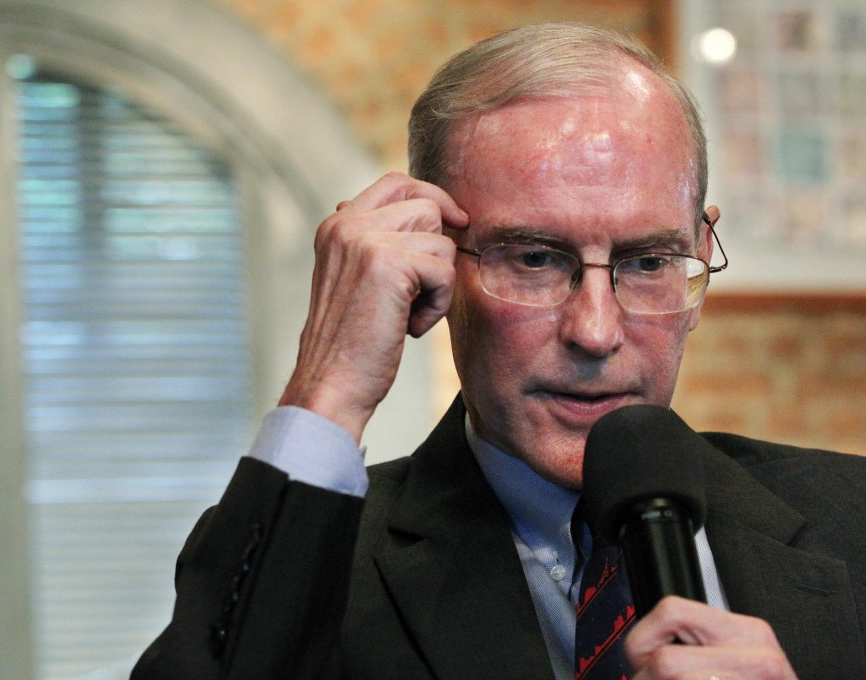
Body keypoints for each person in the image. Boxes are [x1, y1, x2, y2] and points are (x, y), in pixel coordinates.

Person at [132, 21, 866, 680]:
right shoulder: (315, 561)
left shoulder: (851, 520)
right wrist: (330, 388)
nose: (597, 331)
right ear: (434, 258)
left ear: (699, 252)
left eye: (648, 261)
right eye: (536, 260)